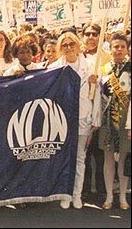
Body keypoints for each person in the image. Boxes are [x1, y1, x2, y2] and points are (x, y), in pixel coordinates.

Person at [48, 32, 101, 210]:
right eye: (64, 45)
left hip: (83, 118)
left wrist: (95, 118)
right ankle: (65, 194)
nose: (69, 47)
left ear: (78, 45)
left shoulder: (92, 66)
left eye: (72, 44)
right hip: (62, 119)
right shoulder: (55, 67)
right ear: (60, 48)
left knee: (79, 158)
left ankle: (76, 195)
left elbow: (97, 97)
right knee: (63, 157)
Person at [97, 33, 131, 210]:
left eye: (122, 47)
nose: (118, 50)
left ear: (126, 49)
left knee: (123, 159)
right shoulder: (103, 69)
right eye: (115, 46)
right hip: (107, 119)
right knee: (108, 158)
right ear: (110, 49)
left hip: (126, 121)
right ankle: (110, 196)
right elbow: (99, 97)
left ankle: (123, 196)